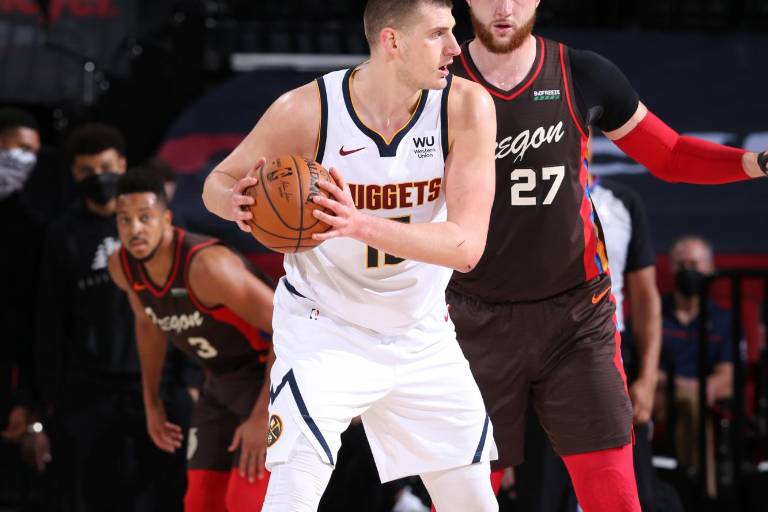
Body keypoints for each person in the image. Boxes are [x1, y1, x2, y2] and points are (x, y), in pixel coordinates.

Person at [446, 1, 767, 510]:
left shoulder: (582, 73)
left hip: (576, 316)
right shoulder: (438, 81)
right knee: (462, 500)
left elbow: (669, 153)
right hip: (473, 315)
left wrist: (757, 162)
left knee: (615, 495)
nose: (504, 8)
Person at [203, 0, 499, 510]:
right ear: (392, 41)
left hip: (420, 332)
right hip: (325, 328)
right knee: (292, 495)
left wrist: (357, 222)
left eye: (453, 31)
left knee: (474, 503)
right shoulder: (307, 110)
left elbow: (466, 249)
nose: (456, 47)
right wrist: (236, 202)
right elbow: (217, 181)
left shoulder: (465, 106)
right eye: (438, 34)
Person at [36, 124, 189, 511]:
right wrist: (50, 395)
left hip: (160, 382)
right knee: (91, 492)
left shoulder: (156, 226)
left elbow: (185, 302)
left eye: (105, 167)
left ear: (122, 164)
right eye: (86, 171)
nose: (98, 177)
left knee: (167, 492)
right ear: (73, 173)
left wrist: (189, 380)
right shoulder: (62, 234)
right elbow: (50, 318)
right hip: (89, 388)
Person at [108, 168, 276, 511]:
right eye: (125, 220)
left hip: (268, 380)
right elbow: (148, 324)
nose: (134, 229)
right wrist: (152, 403)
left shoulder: (208, 267)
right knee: (200, 502)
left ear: (166, 219)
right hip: (218, 382)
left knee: (244, 503)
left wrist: (264, 416)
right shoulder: (123, 266)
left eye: (145, 217)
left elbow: (289, 327)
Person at [656, 236, 733, 478]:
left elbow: (728, 379)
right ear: (671, 269)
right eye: (682, 265)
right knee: (690, 400)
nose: (688, 271)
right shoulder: (654, 314)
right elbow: (644, 370)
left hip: (705, 402)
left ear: (710, 269)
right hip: (659, 399)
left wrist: (698, 389)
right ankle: (700, 488)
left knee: (692, 403)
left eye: (694, 265)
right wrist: (686, 387)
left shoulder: (723, 320)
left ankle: (693, 486)